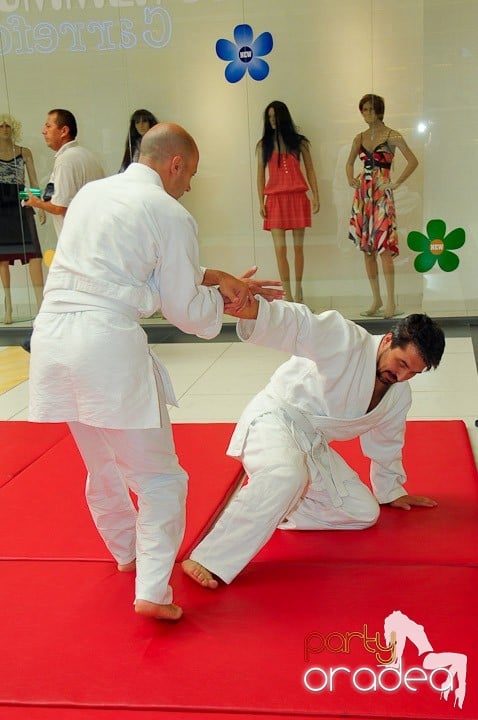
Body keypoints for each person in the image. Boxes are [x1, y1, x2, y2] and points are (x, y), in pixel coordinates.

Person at [28, 122, 283, 622]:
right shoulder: (171, 212)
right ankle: (152, 590)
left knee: (102, 465)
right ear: (176, 164)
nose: (189, 185)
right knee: (161, 480)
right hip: (104, 347)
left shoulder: (90, 196)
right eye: (191, 175)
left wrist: (216, 277)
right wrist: (223, 304)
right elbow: (184, 309)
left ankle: (126, 553)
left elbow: (126, 267)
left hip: (53, 338)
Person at [182, 299, 444, 589]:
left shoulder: (398, 395)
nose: (402, 376)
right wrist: (254, 310)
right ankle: (208, 557)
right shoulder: (346, 340)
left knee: (363, 512)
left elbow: (387, 442)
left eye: (413, 374)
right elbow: (300, 324)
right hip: (275, 420)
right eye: (402, 364)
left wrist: (391, 489)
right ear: (387, 340)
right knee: (287, 476)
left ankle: (275, 500)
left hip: (311, 443)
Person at [346, 93, 418, 319]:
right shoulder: (359, 137)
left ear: (380, 110)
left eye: (371, 109)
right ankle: (376, 298)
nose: (368, 114)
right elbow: (349, 163)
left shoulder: (392, 135)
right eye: (364, 110)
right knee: (367, 250)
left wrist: (395, 182)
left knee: (384, 249)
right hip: (364, 195)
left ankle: (390, 301)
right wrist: (350, 179)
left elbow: (413, 160)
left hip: (381, 195)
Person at [257, 101, 320, 303]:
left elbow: (310, 170)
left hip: (297, 197)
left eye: (275, 117)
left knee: (298, 248)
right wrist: (261, 201)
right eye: (269, 118)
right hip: (274, 200)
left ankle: (299, 290)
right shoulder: (264, 145)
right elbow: (260, 175)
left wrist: (316, 196)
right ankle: (288, 293)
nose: (272, 121)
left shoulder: (299, 143)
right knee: (280, 249)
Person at [23, 109, 104, 238]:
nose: (43, 131)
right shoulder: (88, 155)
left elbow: (60, 207)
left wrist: (36, 202)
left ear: (64, 131)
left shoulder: (66, 160)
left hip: (77, 242)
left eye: (48, 126)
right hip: (92, 236)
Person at [0, 113, 46, 324]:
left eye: (8, 125)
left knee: (35, 255)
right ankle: (8, 304)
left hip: (20, 203)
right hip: (1, 207)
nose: (5, 129)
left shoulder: (23, 152)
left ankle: (40, 304)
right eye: (1, 126)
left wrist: (41, 205)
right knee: (2, 260)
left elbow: (34, 180)